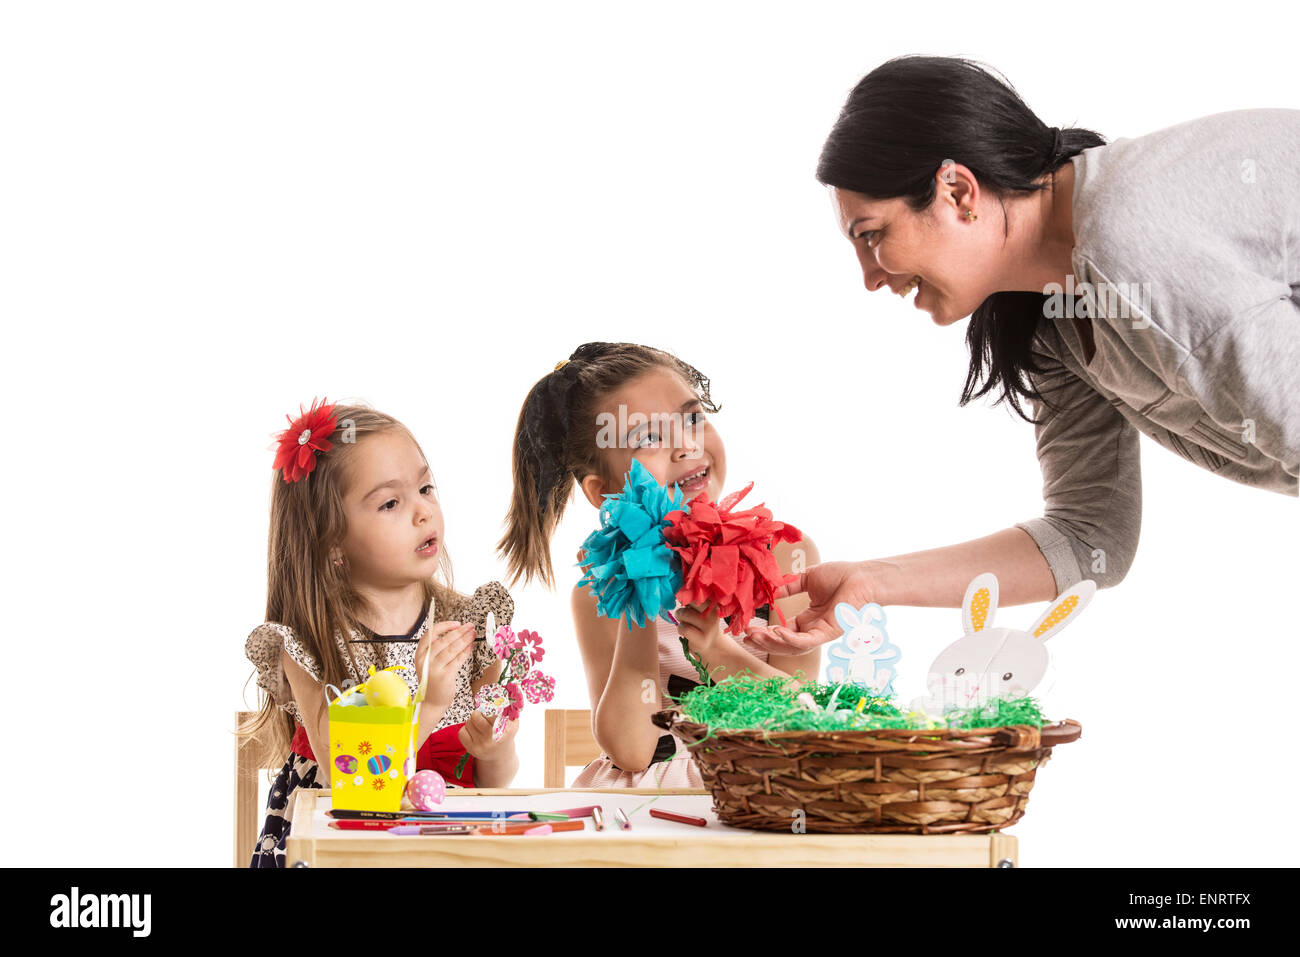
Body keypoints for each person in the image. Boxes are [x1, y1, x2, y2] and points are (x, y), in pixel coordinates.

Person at [748, 56, 1299, 653]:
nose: (869, 277)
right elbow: (1090, 537)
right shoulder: (1051, 315)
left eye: (872, 234)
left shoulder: (1132, 248)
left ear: (957, 191)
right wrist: (872, 582)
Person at [499, 342, 821, 786]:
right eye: (649, 438)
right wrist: (638, 592)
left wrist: (715, 647)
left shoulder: (785, 555)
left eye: (693, 418)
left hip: (765, 790)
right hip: (649, 805)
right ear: (604, 491)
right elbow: (632, 751)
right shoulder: (596, 593)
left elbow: (804, 719)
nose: (687, 446)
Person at [241, 399, 518, 867]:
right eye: (390, 502)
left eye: (426, 488)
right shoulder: (307, 642)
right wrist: (428, 705)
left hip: (448, 846)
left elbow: (495, 780)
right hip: (340, 847)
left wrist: (496, 745)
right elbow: (348, 782)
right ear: (332, 543)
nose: (423, 512)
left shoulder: (470, 626)